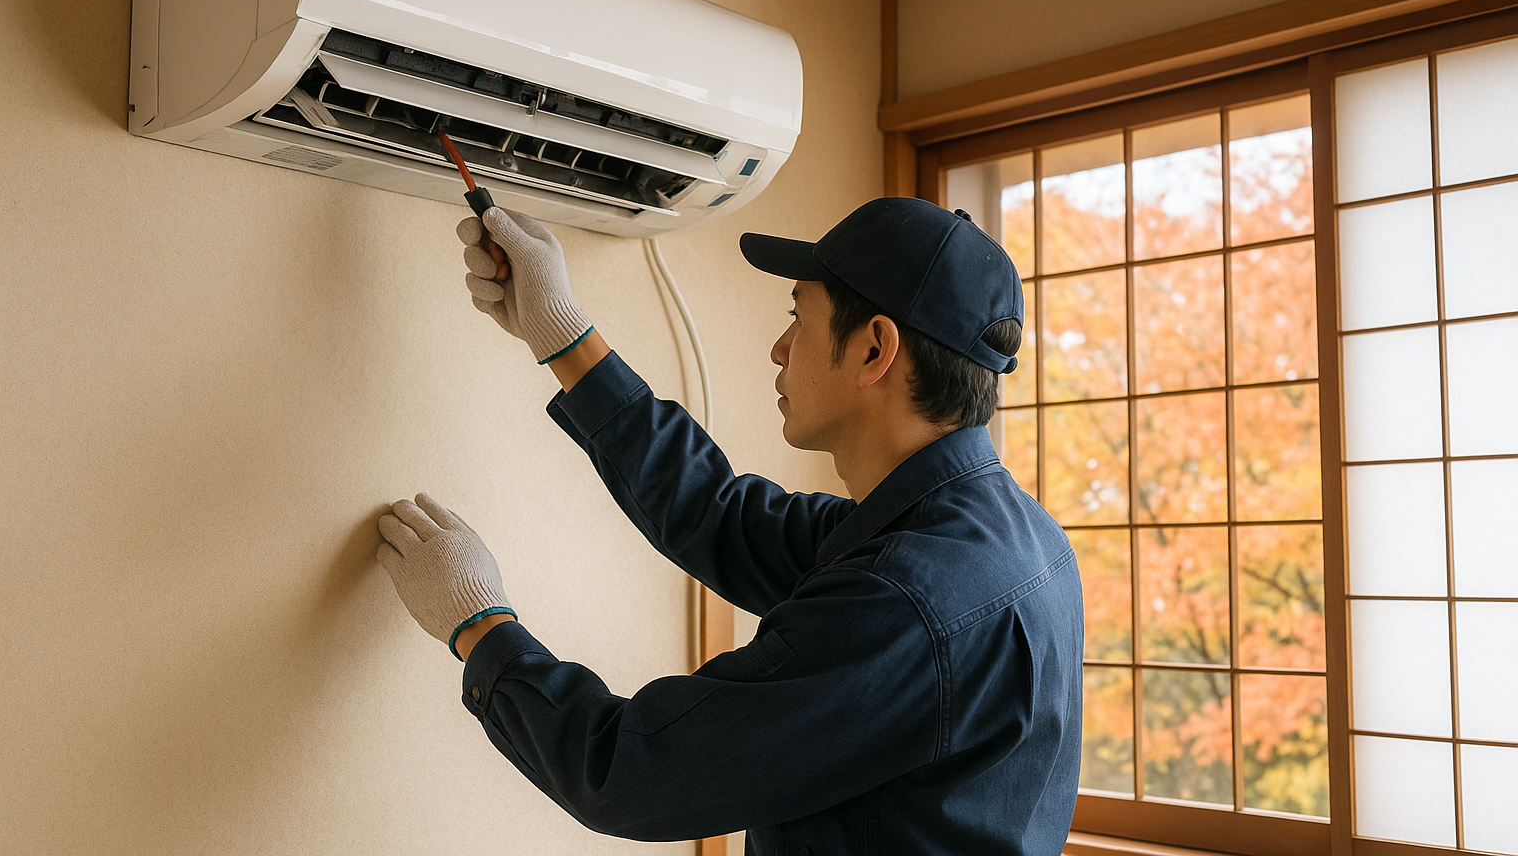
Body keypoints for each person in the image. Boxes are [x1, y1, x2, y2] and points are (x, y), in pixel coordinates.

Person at [376, 197, 1084, 855]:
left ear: (875, 349)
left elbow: (637, 775)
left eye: (798, 317)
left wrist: (478, 624)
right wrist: (562, 333)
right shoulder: (1004, 537)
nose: (780, 348)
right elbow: (724, 515)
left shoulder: (904, 598)